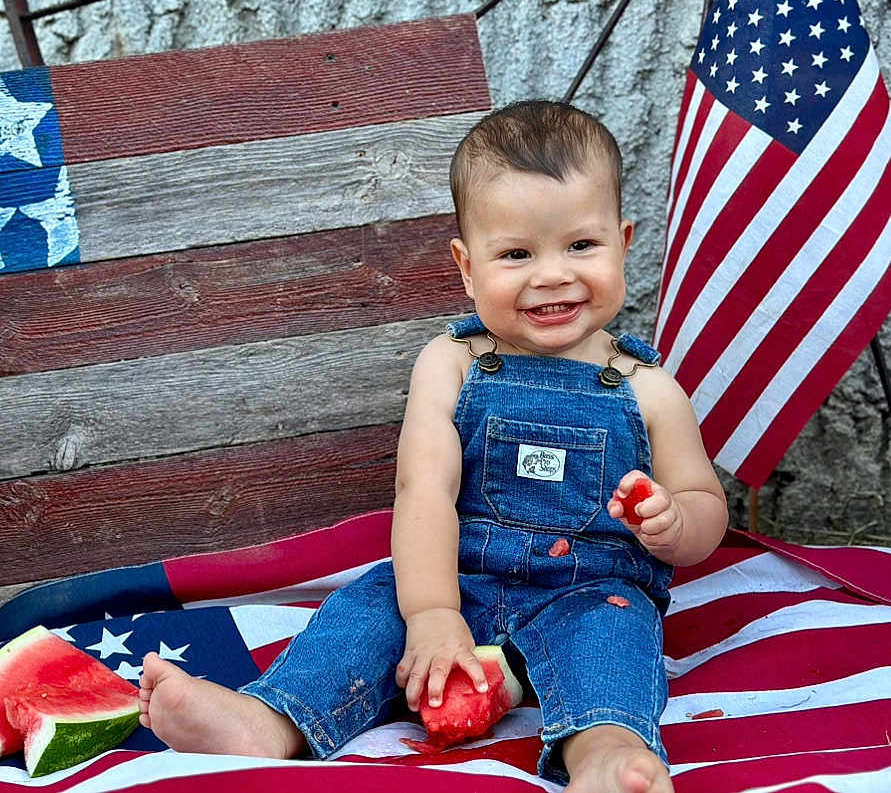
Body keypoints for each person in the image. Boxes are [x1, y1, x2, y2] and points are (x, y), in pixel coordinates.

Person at [139, 100, 728, 793]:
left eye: (580, 245)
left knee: (613, 642)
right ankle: (270, 720)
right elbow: (424, 491)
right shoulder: (450, 363)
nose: (551, 275)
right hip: (455, 578)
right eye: (515, 253)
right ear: (466, 265)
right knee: (364, 614)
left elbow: (702, 506)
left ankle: (603, 750)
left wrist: (672, 521)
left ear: (623, 242)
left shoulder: (648, 388)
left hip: (589, 591)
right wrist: (432, 614)